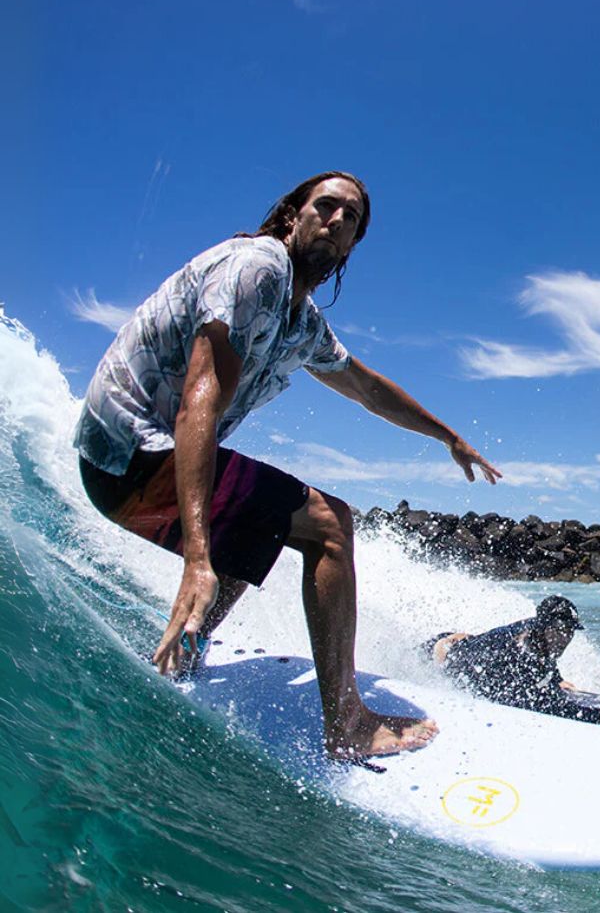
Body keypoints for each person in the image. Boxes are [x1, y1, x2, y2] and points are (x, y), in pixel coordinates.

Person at [75, 171, 502, 761]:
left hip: (129, 464)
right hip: (129, 452)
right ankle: (347, 724)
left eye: (352, 219)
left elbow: (367, 388)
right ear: (291, 216)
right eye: (326, 206)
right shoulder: (258, 268)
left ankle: (182, 657)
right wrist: (196, 557)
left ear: (351, 247)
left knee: (262, 526)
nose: (338, 220)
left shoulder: (301, 322)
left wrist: (448, 436)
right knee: (330, 524)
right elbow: (201, 394)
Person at [425, 596, 600, 728]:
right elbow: (534, 704)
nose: (565, 638)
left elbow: (546, 657)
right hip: (444, 653)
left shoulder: (538, 634)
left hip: (470, 646)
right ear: (543, 627)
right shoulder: (517, 653)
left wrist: (556, 680)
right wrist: (597, 715)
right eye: (559, 631)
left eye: (569, 631)